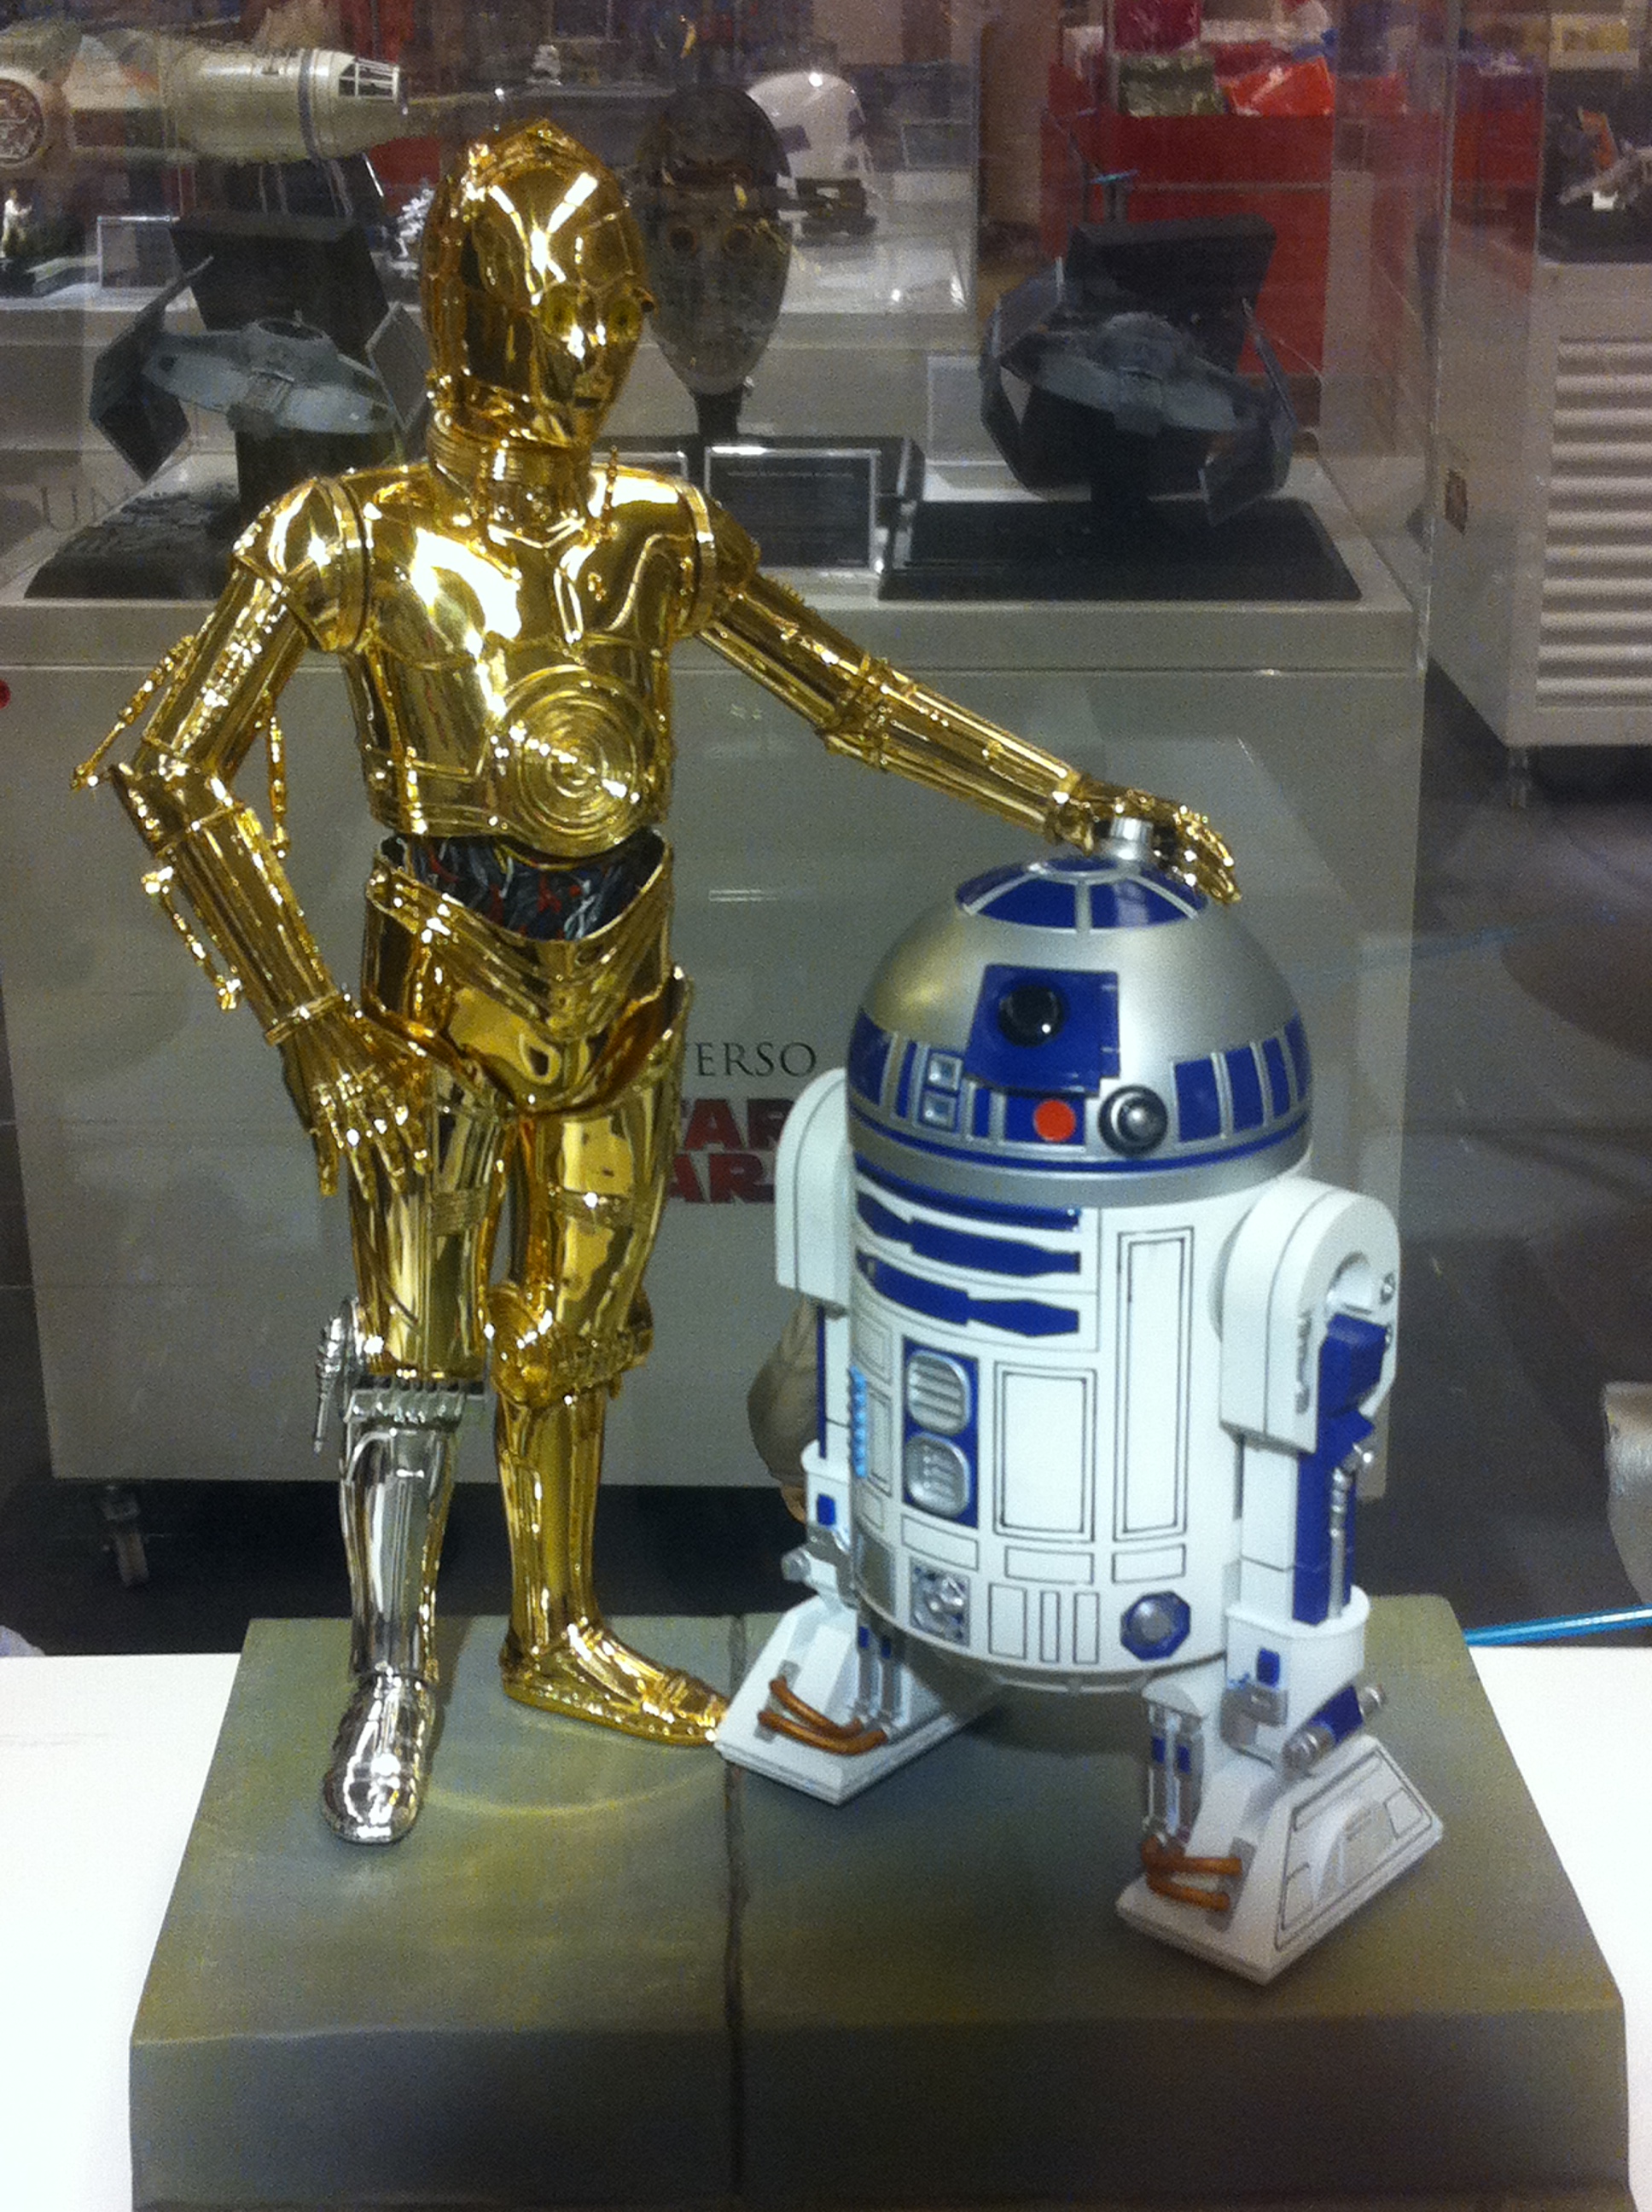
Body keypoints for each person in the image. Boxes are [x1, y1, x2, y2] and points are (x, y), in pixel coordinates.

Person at [84, 120, 1235, 1845]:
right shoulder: (352, 534)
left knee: (573, 1334)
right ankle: (392, 1670)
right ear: (481, 303)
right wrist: (316, 1030)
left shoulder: (649, 530)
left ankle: (554, 1629)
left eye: (608, 301)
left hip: (618, 971)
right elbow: (168, 759)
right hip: (434, 985)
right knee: (409, 1349)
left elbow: (855, 698)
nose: (594, 337)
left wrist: (1077, 803)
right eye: (566, 299)